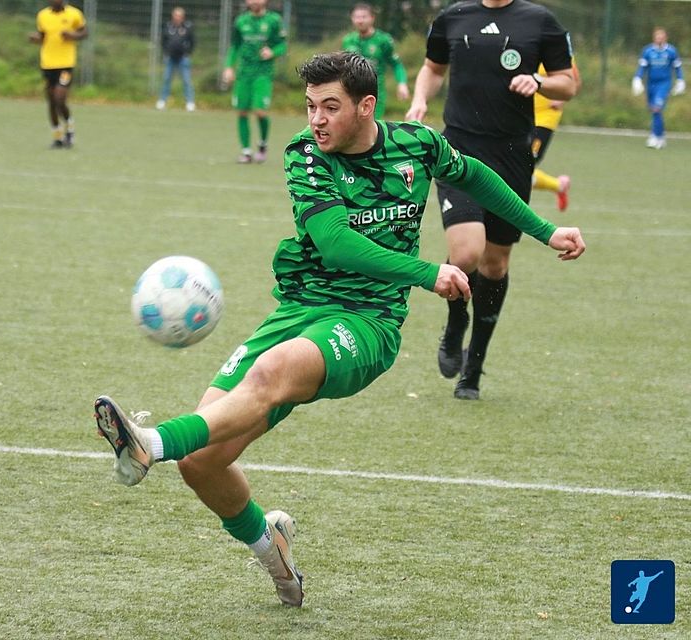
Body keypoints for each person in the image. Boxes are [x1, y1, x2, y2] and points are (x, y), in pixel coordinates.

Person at [93, 52, 585, 607]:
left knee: (270, 371)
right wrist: (429, 271)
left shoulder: (416, 147)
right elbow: (335, 243)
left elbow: (477, 178)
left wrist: (544, 231)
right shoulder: (304, 155)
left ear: (365, 106)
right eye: (310, 106)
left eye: (330, 106)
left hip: (367, 323)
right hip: (299, 310)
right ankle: (271, 549)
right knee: (203, 460)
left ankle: (148, 444)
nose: (316, 120)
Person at [405, 0, 577, 400]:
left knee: (495, 265)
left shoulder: (540, 22)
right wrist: (420, 100)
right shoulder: (453, 17)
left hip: (513, 156)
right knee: (466, 254)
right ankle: (453, 325)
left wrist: (539, 82)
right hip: (459, 152)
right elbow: (432, 69)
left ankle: (474, 368)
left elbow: (568, 83)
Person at [222, 0, 287, 163]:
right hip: (244, 74)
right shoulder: (241, 21)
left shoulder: (274, 20)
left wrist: (272, 51)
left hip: (263, 74)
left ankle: (263, 144)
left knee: (260, 111)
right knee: (242, 111)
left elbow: (283, 45)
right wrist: (229, 67)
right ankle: (246, 151)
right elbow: (235, 46)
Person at [30, 0, 87, 149]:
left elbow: (84, 32)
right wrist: (36, 38)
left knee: (60, 97)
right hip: (48, 64)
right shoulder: (43, 15)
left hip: (66, 65)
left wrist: (73, 35)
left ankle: (70, 129)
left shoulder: (74, 14)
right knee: (51, 100)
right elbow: (42, 36)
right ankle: (57, 136)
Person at [342, 3, 409, 118]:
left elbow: (396, 64)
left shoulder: (383, 40)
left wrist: (402, 83)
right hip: (352, 90)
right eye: (357, 17)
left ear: (372, 18)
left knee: (371, 125)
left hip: (375, 91)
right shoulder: (348, 40)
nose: (360, 20)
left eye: (364, 17)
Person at [531, 60, 580, 211]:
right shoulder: (523, 45)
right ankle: (558, 185)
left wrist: (561, 99)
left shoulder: (554, 47)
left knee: (523, 166)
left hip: (545, 117)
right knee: (514, 168)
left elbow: (575, 81)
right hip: (522, 115)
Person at [632, 27, 685, 150]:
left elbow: (677, 67)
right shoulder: (648, 51)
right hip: (651, 84)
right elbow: (642, 67)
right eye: (657, 36)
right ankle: (659, 136)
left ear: (666, 38)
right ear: (654, 38)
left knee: (657, 108)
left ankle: (655, 136)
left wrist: (680, 80)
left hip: (664, 83)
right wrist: (637, 78)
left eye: (662, 36)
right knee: (653, 110)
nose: (659, 39)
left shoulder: (671, 51)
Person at [156, 6, 196, 112]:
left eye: (179, 16)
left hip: (183, 58)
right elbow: (163, 41)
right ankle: (162, 101)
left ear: (183, 17)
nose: (177, 17)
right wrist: (166, 52)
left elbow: (192, 41)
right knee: (166, 79)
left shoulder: (187, 27)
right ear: (173, 16)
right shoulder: (168, 27)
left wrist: (188, 53)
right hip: (170, 58)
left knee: (186, 80)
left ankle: (190, 102)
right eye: (175, 15)